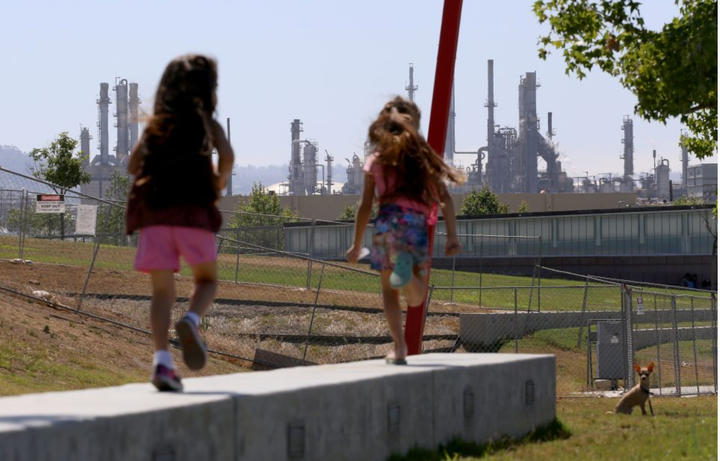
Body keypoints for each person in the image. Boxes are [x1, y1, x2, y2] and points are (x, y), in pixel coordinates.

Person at [125, 54, 234, 391]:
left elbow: (132, 165)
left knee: (161, 294)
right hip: (194, 216)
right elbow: (228, 157)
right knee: (206, 281)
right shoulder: (207, 125)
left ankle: (162, 364)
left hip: (156, 217)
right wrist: (218, 181)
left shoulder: (157, 123)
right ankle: (191, 319)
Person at [346, 97, 465, 365]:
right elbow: (444, 198)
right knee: (416, 297)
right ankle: (408, 275)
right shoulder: (422, 158)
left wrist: (356, 245)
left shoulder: (376, 159)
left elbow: (365, 206)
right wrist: (453, 238)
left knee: (389, 293)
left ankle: (399, 348)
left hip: (388, 224)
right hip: (415, 225)